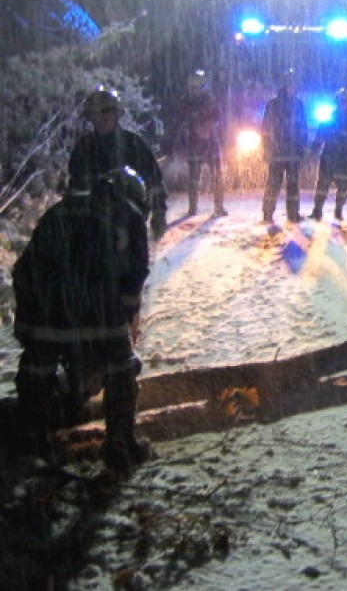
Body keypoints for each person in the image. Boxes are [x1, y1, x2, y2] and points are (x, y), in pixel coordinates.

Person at [13, 167, 153, 472]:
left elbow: (24, 271)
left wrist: (28, 326)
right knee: (122, 368)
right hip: (100, 310)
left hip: (50, 312)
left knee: (37, 365)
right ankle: (119, 441)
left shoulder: (61, 210)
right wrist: (123, 321)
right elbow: (135, 275)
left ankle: (34, 437)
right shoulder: (129, 215)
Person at [68, 86, 168, 240]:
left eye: (105, 114)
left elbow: (154, 180)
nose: (100, 120)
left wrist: (159, 212)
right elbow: (74, 189)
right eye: (95, 116)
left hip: (129, 224)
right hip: (93, 227)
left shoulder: (133, 144)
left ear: (116, 115)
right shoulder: (83, 148)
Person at [309, 88, 347, 221]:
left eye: (345, 102)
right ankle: (317, 211)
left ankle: (338, 211)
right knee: (322, 186)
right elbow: (320, 136)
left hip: (344, 161)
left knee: (342, 188)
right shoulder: (329, 119)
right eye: (340, 102)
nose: (342, 105)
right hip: (328, 159)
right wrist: (313, 150)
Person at [261, 69, 308, 224]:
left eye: (294, 83)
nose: (293, 87)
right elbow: (266, 128)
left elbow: (303, 128)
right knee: (274, 183)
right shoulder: (273, 104)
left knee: (293, 184)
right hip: (278, 152)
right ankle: (267, 214)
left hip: (292, 152)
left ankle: (293, 214)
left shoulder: (298, 105)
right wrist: (267, 147)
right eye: (290, 83)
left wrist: (302, 147)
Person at [182, 69, 227, 217]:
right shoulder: (188, 102)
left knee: (217, 175)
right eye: (194, 87)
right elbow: (184, 120)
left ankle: (219, 206)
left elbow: (219, 119)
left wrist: (210, 126)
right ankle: (193, 208)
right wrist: (196, 128)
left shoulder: (211, 101)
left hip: (211, 142)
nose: (195, 90)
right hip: (195, 142)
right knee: (194, 177)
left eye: (198, 87)